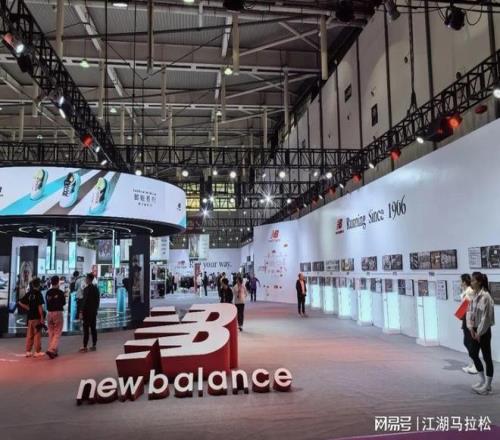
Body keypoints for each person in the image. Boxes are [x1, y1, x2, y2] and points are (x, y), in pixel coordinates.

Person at [467, 272, 495, 395]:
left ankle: (488, 386)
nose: (471, 282)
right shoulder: (473, 295)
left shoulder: (486, 296)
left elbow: (486, 318)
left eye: (473, 280)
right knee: (473, 353)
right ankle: (482, 380)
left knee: (487, 357)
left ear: (479, 282)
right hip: (474, 329)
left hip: (483, 330)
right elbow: (469, 312)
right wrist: (471, 328)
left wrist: (479, 332)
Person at [18, 277, 45, 357]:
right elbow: (40, 307)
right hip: (37, 317)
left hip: (30, 317)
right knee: (37, 334)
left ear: (32, 285)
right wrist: (42, 317)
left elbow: (20, 302)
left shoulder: (29, 293)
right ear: (39, 284)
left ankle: (28, 351)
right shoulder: (38, 294)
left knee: (30, 335)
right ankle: (37, 351)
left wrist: (28, 308)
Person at [459, 274, 477, 374]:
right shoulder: (466, 291)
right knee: (467, 342)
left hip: (469, 319)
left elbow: (469, 305)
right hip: (465, 318)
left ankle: (476, 365)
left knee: (469, 342)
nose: (460, 283)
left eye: (460, 281)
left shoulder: (470, 291)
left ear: (464, 282)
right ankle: (472, 363)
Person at [45, 275, 66, 359]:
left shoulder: (48, 292)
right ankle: (51, 349)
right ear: (58, 282)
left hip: (49, 313)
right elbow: (63, 303)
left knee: (51, 332)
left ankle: (54, 351)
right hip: (57, 313)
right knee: (57, 332)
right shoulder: (60, 292)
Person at [79, 273, 100, 352]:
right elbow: (97, 301)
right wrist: (96, 310)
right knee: (93, 328)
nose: (85, 280)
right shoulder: (96, 289)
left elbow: (84, 301)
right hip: (93, 311)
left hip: (87, 312)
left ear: (88, 279)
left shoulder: (86, 289)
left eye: (86, 278)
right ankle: (94, 345)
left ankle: (85, 346)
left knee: (86, 329)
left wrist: (81, 311)